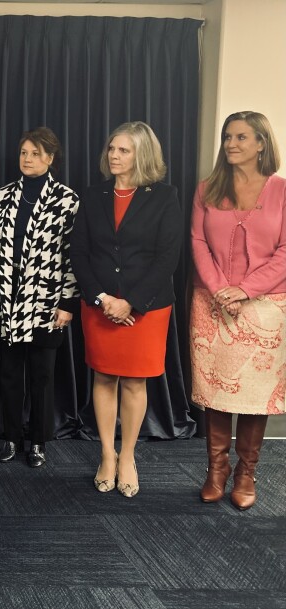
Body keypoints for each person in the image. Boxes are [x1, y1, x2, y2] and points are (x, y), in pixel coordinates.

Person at [70, 121, 182, 498]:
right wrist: (102, 299)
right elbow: (79, 253)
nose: (113, 156)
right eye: (112, 149)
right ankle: (106, 454)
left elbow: (168, 258)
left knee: (135, 381)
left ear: (142, 155)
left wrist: (131, 301)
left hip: (145, 308)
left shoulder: (165, 197)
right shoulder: (93, 194)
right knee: (103, 378)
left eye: (123, 150)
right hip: (100, 306)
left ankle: (129, 456)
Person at [190, 111, 285, 510]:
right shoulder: (207, 189)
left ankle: (246, 473)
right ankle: (216, 470)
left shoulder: (281, 191)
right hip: (212, 303)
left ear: (261, 143)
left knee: (254, 394)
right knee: (216, 390)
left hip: (265, 306)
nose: (231, 144)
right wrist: (219, 289)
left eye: (241, 137)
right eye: (228, 137)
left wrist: (245, 289)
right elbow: (197, 242)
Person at [0, 127, 80, 468]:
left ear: (50, 159)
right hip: (7, 298)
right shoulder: (3, 196)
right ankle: (10, 438)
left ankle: (37, 442)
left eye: (35, 154)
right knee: (9, 373)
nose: (27, 159)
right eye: (23, 153)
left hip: (47, 302)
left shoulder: (67, 200)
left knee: (42, 375)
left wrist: (67, 303)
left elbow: (73, 255)